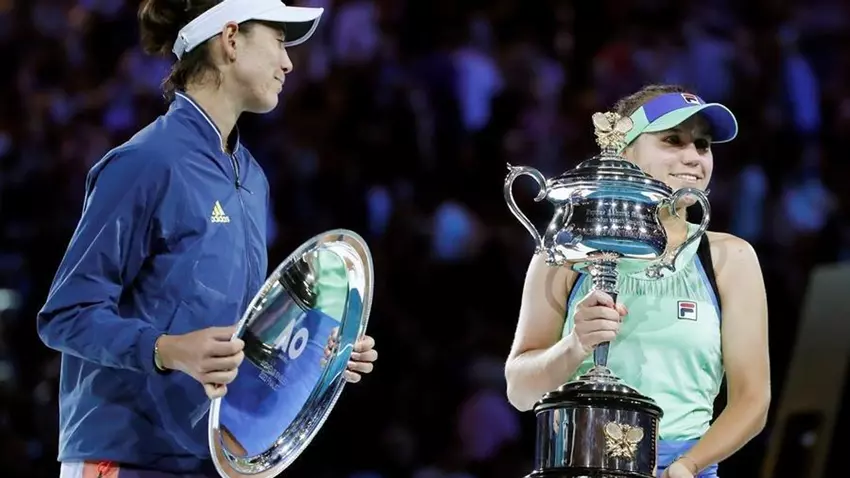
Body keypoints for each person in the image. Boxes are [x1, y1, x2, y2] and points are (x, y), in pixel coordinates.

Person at [36, 1, 378, 477]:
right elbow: (65, 315)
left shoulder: (252, 178)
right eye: (279, 42)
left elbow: (239, 337)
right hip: (124, 457)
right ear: (230, 39)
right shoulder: (146, 162)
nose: (288, 63)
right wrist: (167, 349)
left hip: (212, 458)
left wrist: (317, 356)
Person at [504, 84, 771, 478]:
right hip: (579, 464)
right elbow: (521, 392)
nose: (693, 157)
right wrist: (575, 345)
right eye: (672, 140)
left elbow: (753, 400)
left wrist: (686, 466)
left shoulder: (730, 258)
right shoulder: (566, 253)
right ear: (623, 150)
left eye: (702, 145)